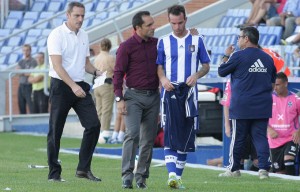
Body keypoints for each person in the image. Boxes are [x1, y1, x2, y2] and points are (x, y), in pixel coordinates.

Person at [47, 2, 101, 182]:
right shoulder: (57, 34)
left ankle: (83, 169)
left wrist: (96, 72)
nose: (80, 19)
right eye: (77, 16)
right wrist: (73, 86)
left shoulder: (84, 35)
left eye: (82, 16)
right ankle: (54, 174)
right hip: (61, 86)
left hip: (79, 85)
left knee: (93, 125)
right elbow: (57, 65)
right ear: (68, 15)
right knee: (56, 130)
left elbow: (86, 64)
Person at [157, 5, 210, 189]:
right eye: (173, 23)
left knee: (186, 137)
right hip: (170, 91)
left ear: (185, 20)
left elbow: (206, 65)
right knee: (171, 133)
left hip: (189, 94)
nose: (177, 27)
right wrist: (163, 79)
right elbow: (159, 66)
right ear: (169, 22)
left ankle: (177, 178)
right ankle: (171, 174)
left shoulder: (197, 39)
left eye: (180, 23)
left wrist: (196, 75)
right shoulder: (163, 41)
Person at [218, 26, 277, 179]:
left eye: (239, 37)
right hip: (262, 105)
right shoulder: (268, 58)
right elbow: (272, 83)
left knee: (238, 138)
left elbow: (221, 71)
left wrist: (226, 55)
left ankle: (233, 169)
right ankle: (264, 170)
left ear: (246, 39)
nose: (238, 40)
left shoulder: (237, 56)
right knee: (260, 137)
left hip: (242, 106)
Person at [113, 11, 160, 189]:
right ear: (138, 28)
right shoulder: (126, 46)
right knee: (132, 135)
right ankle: (127, 176)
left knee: (148, 140)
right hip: (133, 97)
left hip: (153, 97)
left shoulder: (158, 44)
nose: (153, 27)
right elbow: (117, 73)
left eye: (153, 23)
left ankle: (141, 178)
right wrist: (119, 98)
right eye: (149, 25)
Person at [267, 72, 300, 175]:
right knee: (279, 172)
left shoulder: (296, 99)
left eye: (277, 85)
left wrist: (299, 131)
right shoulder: (268, 99)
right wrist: (269, 129)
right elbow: (259, 118)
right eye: (273, 85)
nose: (275, 88)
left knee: (289, 160)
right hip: (274, 141)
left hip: (291, 138)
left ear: (285, 84)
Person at [93, 38, 115, 144]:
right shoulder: (110, 57)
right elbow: (116, 69)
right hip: (106, 84)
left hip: (97, 84)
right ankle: (105, 133)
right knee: (107, 110)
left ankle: (97, 132)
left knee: (99, 110)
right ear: (110, 46)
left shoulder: (97, 58)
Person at [16, 44, 37, 114]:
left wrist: (22, 72)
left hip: (29, 86)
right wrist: (25, 72)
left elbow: (32, 73)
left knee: (31, 107)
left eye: (27, 50)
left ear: (30, 51)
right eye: (24, 50)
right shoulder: (21, 61)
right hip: (21, 86)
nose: (25, 52)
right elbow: (17, 73)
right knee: (21, 106)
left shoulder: (34, 61)